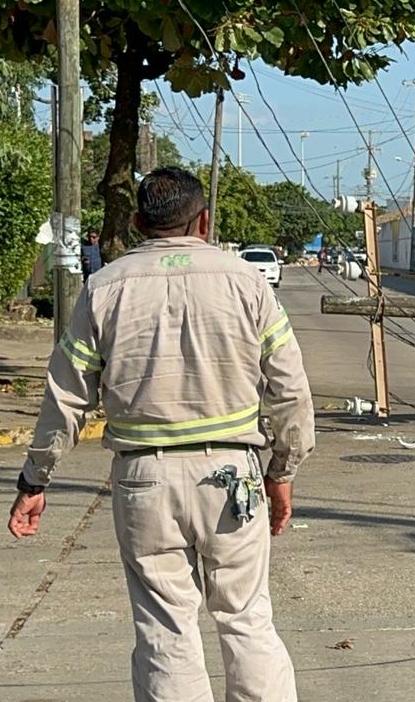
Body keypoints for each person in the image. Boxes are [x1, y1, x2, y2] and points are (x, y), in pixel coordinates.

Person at [8, 167, 315, 702]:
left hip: (142, 478)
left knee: (166, 629)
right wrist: (282, 471)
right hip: (232, 475)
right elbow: (290, 390)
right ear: (204, 221)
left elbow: (66, 396)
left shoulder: (103, 288)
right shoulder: (247, 282)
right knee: (246, 618)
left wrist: (36, 479)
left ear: (136, 222)